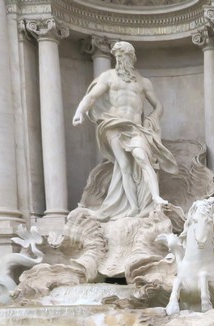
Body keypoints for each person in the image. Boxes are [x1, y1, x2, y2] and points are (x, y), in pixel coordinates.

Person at [73, 40, 179, 220]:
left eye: (124, 55)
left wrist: (152, 118)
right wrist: (79, 112)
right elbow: (91, 97)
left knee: (142, 157)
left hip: (135, 127)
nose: (121, 59)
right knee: (124, 166)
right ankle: (134, 207)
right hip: (114, 124)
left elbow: (158, 106)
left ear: (132, 57)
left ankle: (156, 198)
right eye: (118, 56)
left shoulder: (143, 82)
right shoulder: (108, 76)